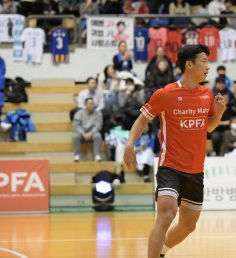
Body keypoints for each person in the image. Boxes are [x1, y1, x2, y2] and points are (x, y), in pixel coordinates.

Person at [123, 44, 226, 258]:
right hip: (170, 166)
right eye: (204, 61)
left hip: (196, 170)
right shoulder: (165, 94)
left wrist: (218, 114)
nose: (208, 66)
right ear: (189, 65)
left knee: (188, 226)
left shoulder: (207, 94)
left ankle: (161, 252)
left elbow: (208, 127)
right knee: (166, 215)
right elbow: (142, 120)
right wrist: (129, 144)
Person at [72, 97, 103, 162]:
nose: (92, 105)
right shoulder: (79, 113)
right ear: (85, 105)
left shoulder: (98, 114)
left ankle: (97, 155)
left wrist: (90, 133)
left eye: (92, 104)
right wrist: (83, 133)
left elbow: (98, 126)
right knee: (75, 136)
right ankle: (76, 155)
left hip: (93, 132)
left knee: (98, 136)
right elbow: (76, 125)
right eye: (90, 104)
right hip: (81, 132)